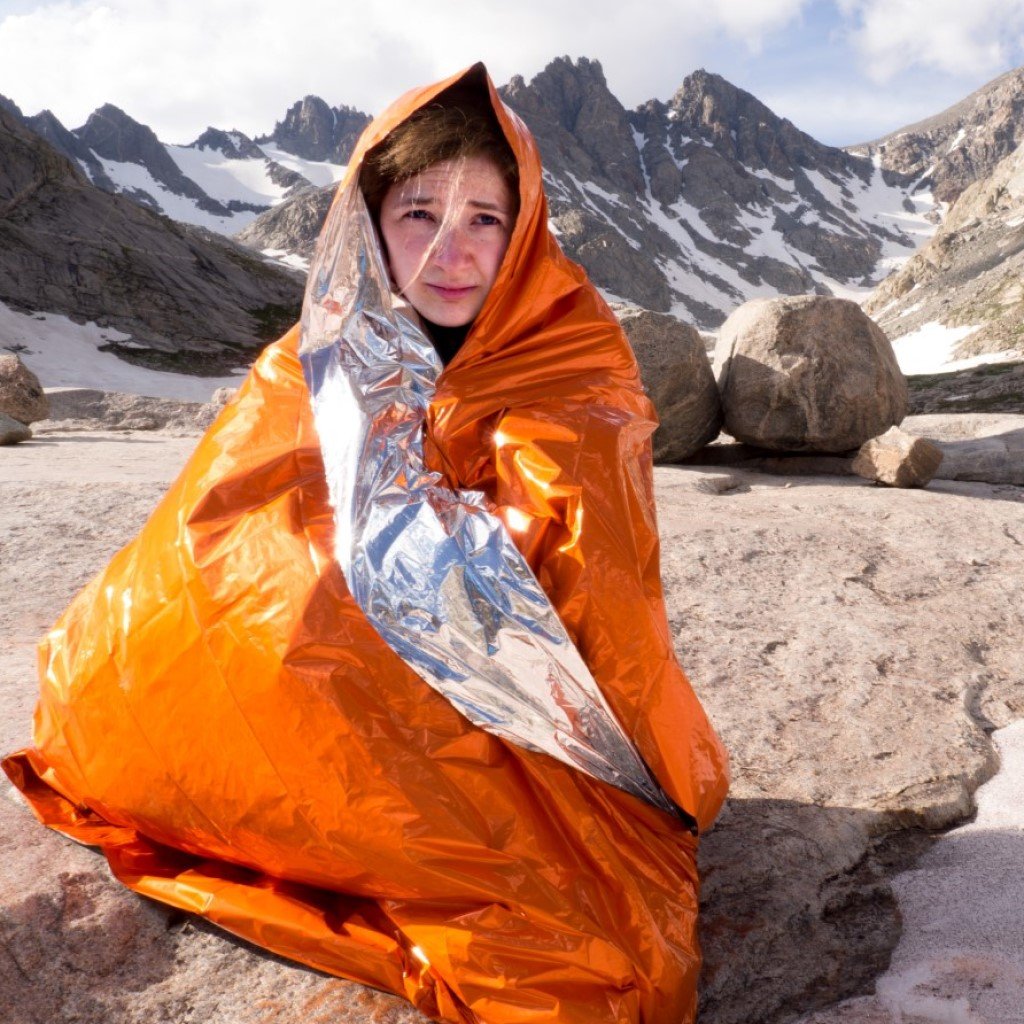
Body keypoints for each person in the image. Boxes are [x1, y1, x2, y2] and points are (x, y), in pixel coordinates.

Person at [3, 64, 728, 1024]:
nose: (450, 252)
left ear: (525, 231)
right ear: (368, 221)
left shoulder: (572, 356)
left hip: (503, 699)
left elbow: (597, 585)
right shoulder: (305, 361)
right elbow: (211, 539)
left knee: (600, 964)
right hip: (312, 686)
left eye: (485, 219)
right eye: (420, 213)